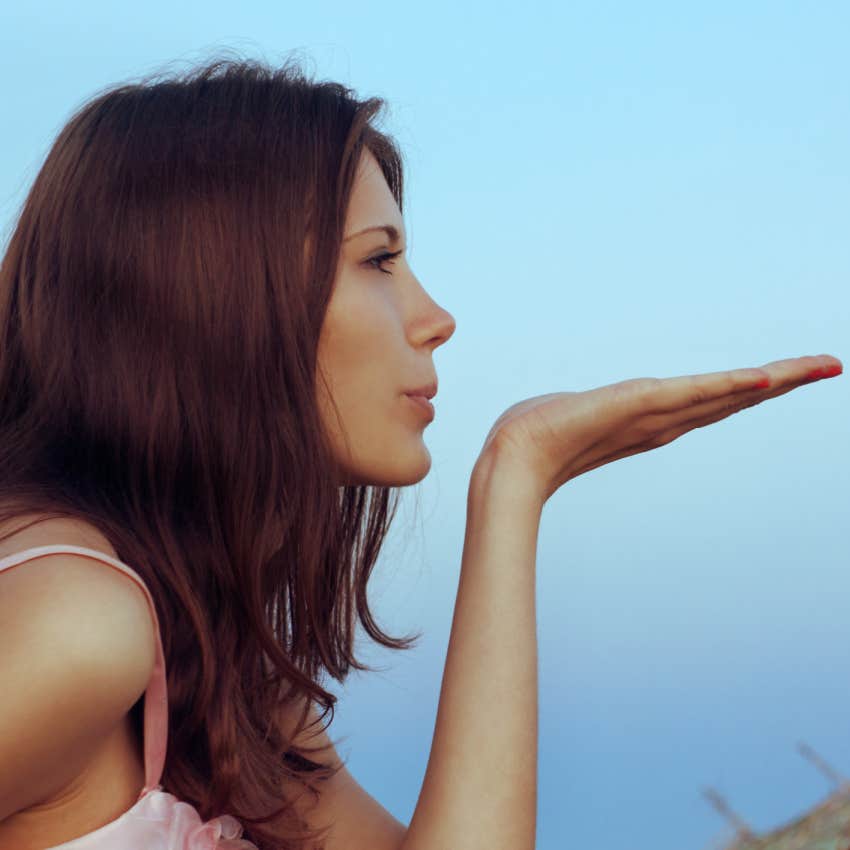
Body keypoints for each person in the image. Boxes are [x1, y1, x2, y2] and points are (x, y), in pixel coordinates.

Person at [0, 55, 841, 850]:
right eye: (379, 260)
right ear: (216, 294)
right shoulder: (79, 624)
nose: (436, 316)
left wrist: (516, 476)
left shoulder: (208, 659)